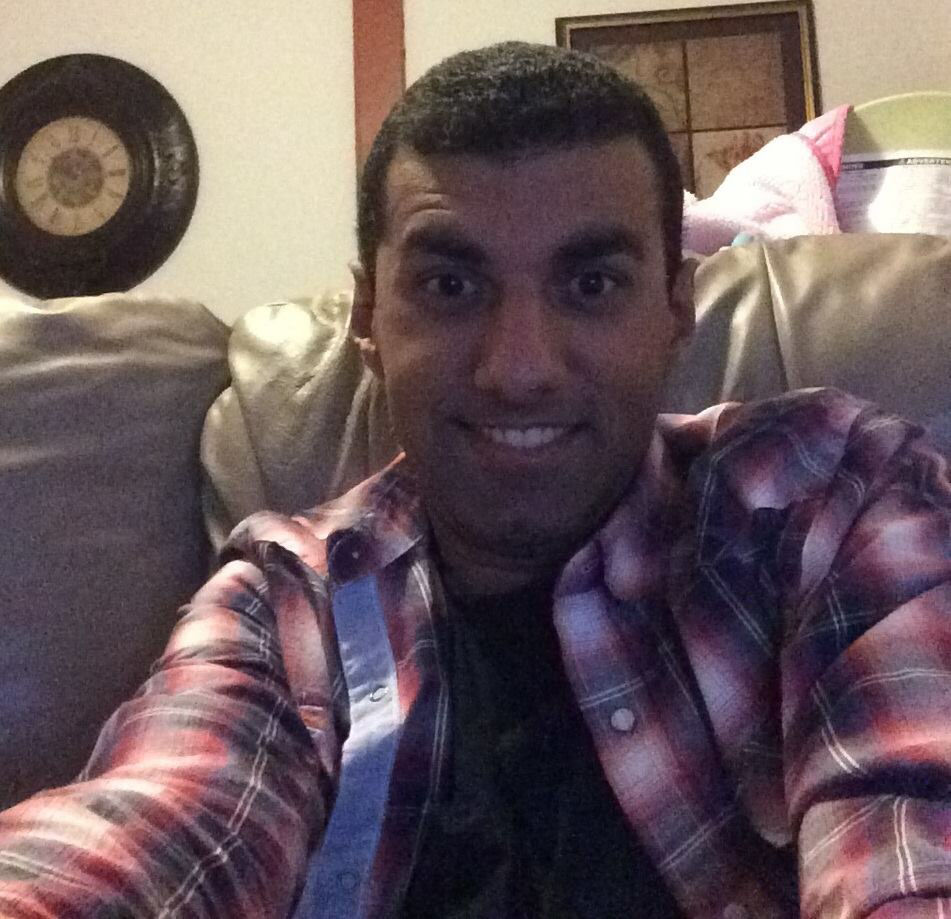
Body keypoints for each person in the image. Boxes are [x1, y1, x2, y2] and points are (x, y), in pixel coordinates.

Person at [0, 41, 949, 919]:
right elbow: (155, 827)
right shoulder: (286, 606)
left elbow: (914, 831)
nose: (518, 368)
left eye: (590, 284)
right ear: (368, 318)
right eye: (451, 286)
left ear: (674, 308)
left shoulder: (829, 496)